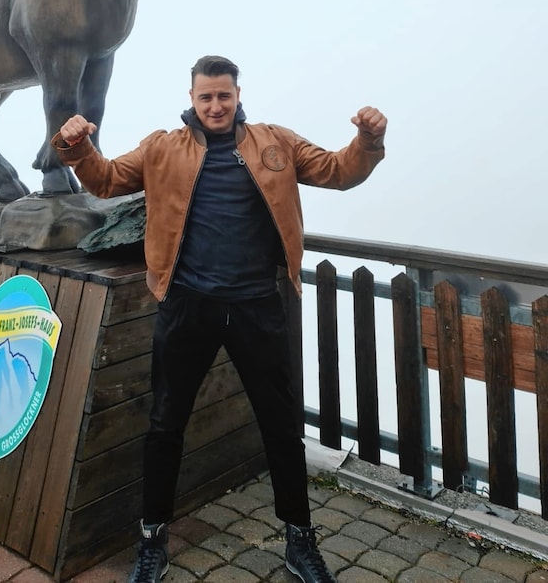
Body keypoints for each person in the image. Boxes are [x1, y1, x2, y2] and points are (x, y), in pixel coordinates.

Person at [52, 55, 387, 583]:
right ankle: (152, 541)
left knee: (281, 430)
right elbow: (107, 180)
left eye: (223, 96)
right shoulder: (162, 147)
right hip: (188, 305)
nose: (215, 105)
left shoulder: (276, 143)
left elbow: (339, 170)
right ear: (191, 97)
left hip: (258, 307)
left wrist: (367, 141)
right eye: (205, 97)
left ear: (237, 95)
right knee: (165, 426)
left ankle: (300, 543)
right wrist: (77, 146)